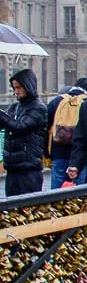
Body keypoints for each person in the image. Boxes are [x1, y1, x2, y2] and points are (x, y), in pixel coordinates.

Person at [0, 69, 48, 197]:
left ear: (29, 86)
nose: (16, 91)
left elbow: (20, 126)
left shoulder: (38, 108)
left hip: (29, 170)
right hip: (12, 168)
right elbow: (6, 123)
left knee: (28, 210)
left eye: (19, 87)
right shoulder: (15, 107)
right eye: (14, 88)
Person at [46, 77, 87, 188]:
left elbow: (45, 128)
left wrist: (48, 154)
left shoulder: (56, 102)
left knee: (57, 196)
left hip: (59, 155)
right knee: (80, 196)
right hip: (81, 158)